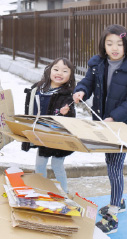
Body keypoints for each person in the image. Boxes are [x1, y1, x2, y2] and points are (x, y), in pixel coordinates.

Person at [72, 24, 127, 234]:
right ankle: (118, 201)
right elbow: (88, 82)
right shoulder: (97, 63)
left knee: (114, 166)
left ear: (126, 45)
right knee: (110, 163)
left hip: (122, 126)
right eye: (109, 43)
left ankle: (112, 214)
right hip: (103, 124)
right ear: (104, 44)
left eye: (119, 44)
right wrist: (81, 92)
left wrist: (114, 117)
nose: (114, 48)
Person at [21, 57, 76, 194]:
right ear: (49, 71)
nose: (59, 73)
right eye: (56, 69)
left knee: (57, 165)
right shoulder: (40, 88)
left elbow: (71, 119)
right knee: (40, 164)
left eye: (64, 71)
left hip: (58, 137)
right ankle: (41, 190)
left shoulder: (67, 95)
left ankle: (64, 192)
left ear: (70, 76)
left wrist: (66, 112)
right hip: (42, 135)